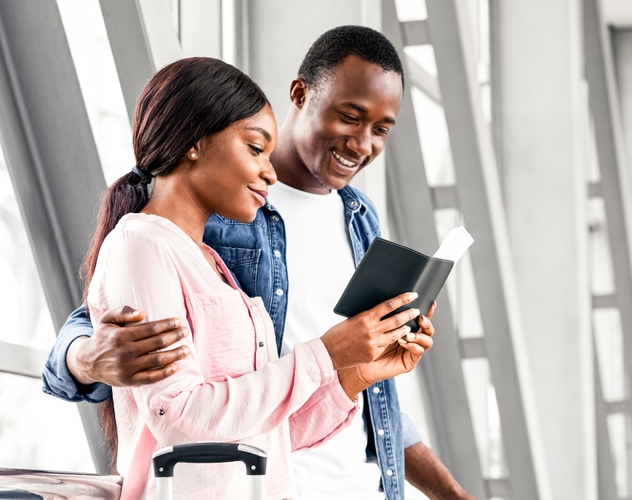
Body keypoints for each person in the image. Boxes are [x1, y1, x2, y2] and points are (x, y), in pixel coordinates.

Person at [44, 26, 474, 499]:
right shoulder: (204, 215)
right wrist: (83, 359)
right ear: (300, 93)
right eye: (350, 117)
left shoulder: (360, 219)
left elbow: (334, 407)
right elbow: (110, 337)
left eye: (381, 130)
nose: (362, 143)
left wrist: (367, 367)